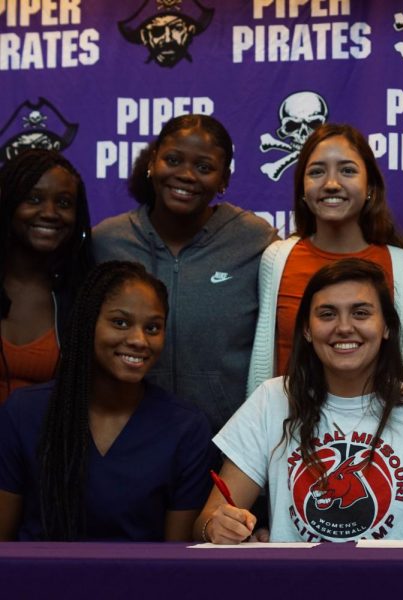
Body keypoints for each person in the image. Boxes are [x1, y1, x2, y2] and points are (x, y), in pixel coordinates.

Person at [197, 259, 403, 543]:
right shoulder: (271, 400)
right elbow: (206, 521)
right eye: (327, 314)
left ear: (386, 327)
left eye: (361, 313)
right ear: (307, 330)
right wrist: (215, 526)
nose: (344, 327)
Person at [0, 261, 213, 541]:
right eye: (120, 322)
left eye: (152, 328)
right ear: (88, 323)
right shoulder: (24, 412)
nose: (139, 340)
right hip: (37, 584)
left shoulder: (186, 428)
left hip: (144, 584)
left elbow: (179, 561)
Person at [93, 114, 278, 432]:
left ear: (224, 180)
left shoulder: (255, 241)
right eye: (173, 160)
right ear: (153, 162)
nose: (186, 175)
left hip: (226, 440)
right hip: (125, 434)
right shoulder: (108, 240)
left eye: (204, 168)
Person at [247, 124, 403, 397]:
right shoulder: (277, 259)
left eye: (348, 170)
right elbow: (264, 367)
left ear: (370, 186)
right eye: (316, 172)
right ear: (302, 188)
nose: (331, 184)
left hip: (382, 436)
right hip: (288, 429)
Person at [0, 149, 93, 403]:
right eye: (33, 199)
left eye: (63, 203)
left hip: (47, 441)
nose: (50, 213)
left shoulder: (83, 296)